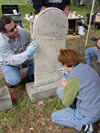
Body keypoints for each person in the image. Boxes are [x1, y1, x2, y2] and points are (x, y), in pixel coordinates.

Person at [51, 49, 100, 133]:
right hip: (96, 103)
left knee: (54, 117)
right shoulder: (85, 66)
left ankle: (86, 125)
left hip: (89, 113)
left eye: (61, 64)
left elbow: (66, 102)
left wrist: (66, 87)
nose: (61, 67)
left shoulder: (73, 79)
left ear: (65, 65)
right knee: (59, 90)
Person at [0, 15, 37, 88]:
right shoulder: (1, 43)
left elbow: (30, 42)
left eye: (15, 26)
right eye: (11, 30)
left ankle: (30, 74)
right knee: (15, 80)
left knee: (38, 60)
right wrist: (27, 53)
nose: (15, 30)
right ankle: (10, 80)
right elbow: (12, 60)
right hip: (9, 63)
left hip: (24, 58)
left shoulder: (22, 32)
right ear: (4, 33)